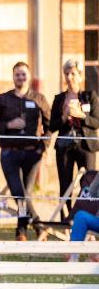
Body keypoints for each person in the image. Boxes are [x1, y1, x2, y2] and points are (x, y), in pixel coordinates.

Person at [0, 61, 51, 240]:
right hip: (9, 152)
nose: (21, 77)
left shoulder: (39, 98)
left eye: (23, 74)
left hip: (33, 153)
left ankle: (21, 231)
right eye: (17, 74)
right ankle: (39, 225)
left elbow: (49, 125)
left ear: (29, 76)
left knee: (26, 194)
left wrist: (43, 147)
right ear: (13, 77)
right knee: (19, 192)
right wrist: (8, 124)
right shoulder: (3, 98)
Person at [50, 59, 99, 218]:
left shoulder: (89, 96)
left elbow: (96, 122)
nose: (69, 77)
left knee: (89, 184)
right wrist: (64, 116)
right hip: (64, 145)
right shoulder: (59, 99)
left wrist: (82, 116)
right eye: (66, 73)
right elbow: (52, 126)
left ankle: (86, 218)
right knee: (65, 184)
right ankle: (65, 219)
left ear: (80, 75)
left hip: (86, 146)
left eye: (73, 73)